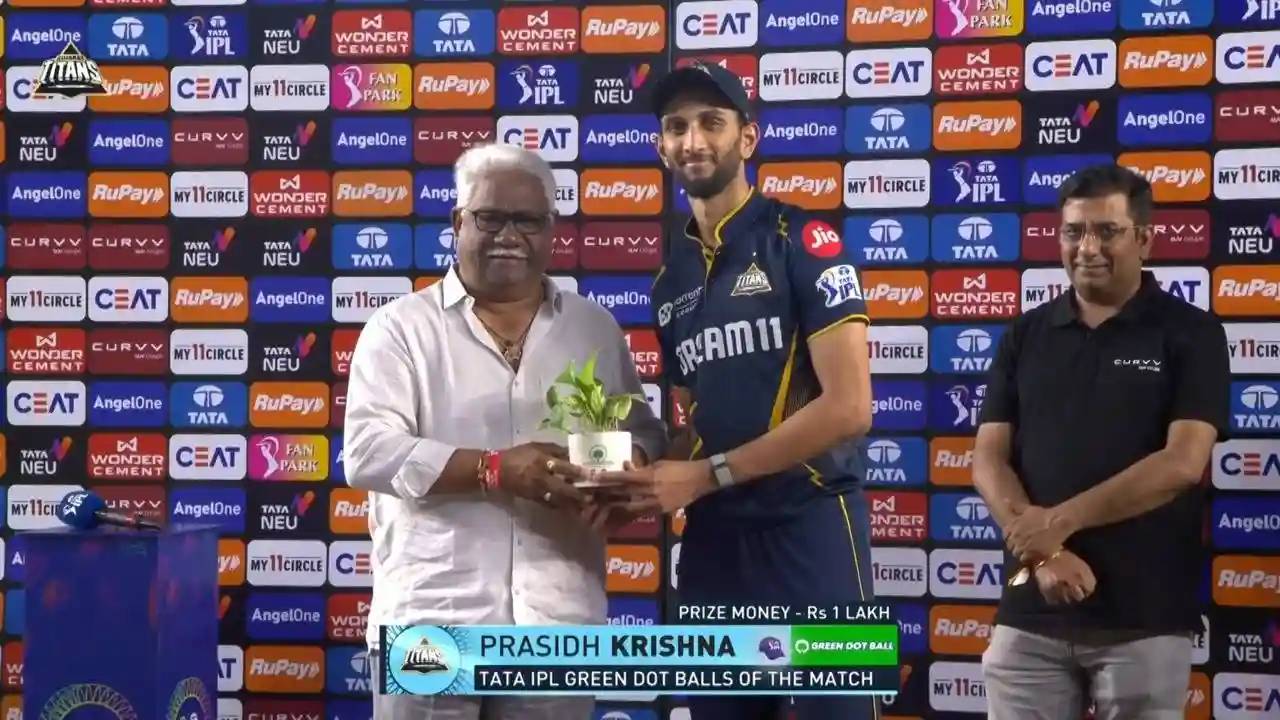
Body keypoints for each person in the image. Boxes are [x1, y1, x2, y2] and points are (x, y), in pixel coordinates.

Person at [593, 62, 879, 720]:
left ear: (747, 138)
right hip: (717, 539)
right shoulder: (670, 280)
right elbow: (700, 419)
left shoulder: (803, 239)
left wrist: (705, 475)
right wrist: (639, 480)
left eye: (711, 123)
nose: (693, 140)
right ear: (660, 146)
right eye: (676, 127)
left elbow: (849, 408)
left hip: (810, 522)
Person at [343, 143, 667, 720]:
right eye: (490, 217)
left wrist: (623, 473)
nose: (509, 236)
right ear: (457, 222)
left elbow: (642, 431)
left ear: (551, 228)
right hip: (431, 621)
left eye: (528, 220)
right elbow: (368, 453)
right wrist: (494, 468)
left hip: (558, 625)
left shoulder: (593, 327)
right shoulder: (399, 328)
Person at [973, 164, 1229, 720]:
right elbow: (988, 458)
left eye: (1107, 231)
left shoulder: (1193, 332)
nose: (1087, 248)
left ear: (1144, 239)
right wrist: (1046, 552)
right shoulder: (1025, 333)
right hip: (1030, 610)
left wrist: (1058, 523)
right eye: (1073, 232)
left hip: (1144, 618)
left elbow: (1182, 463)